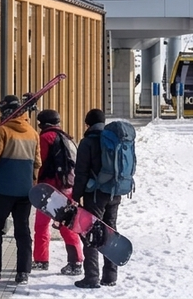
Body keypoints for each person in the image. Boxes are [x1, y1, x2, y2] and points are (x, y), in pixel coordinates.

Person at [0, 95, 40, 286]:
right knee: (23, 230)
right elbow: (38, 162)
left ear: (4, 112)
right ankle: (23, 272)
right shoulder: (32, 132)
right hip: (25, 191)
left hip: (4, 189)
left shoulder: (3, 131)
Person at [72, 108, 122, 289]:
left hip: (94, 196)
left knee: (90, 232)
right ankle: (110, 276)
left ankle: (91, 277)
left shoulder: (87, 142)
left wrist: (75, 197)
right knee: (110, 231)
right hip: (114, 193)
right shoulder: (113, 140)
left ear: (88, 124)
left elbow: (81, 173)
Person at [32, 109, 83, 276]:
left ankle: (41, 260)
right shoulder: (67, 138)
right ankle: (75, 261)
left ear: (43, 124)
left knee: (41, 225)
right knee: (67, 224)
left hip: (49, 189)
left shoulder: (45, 138)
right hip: (67, 187)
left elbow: (40, 162)